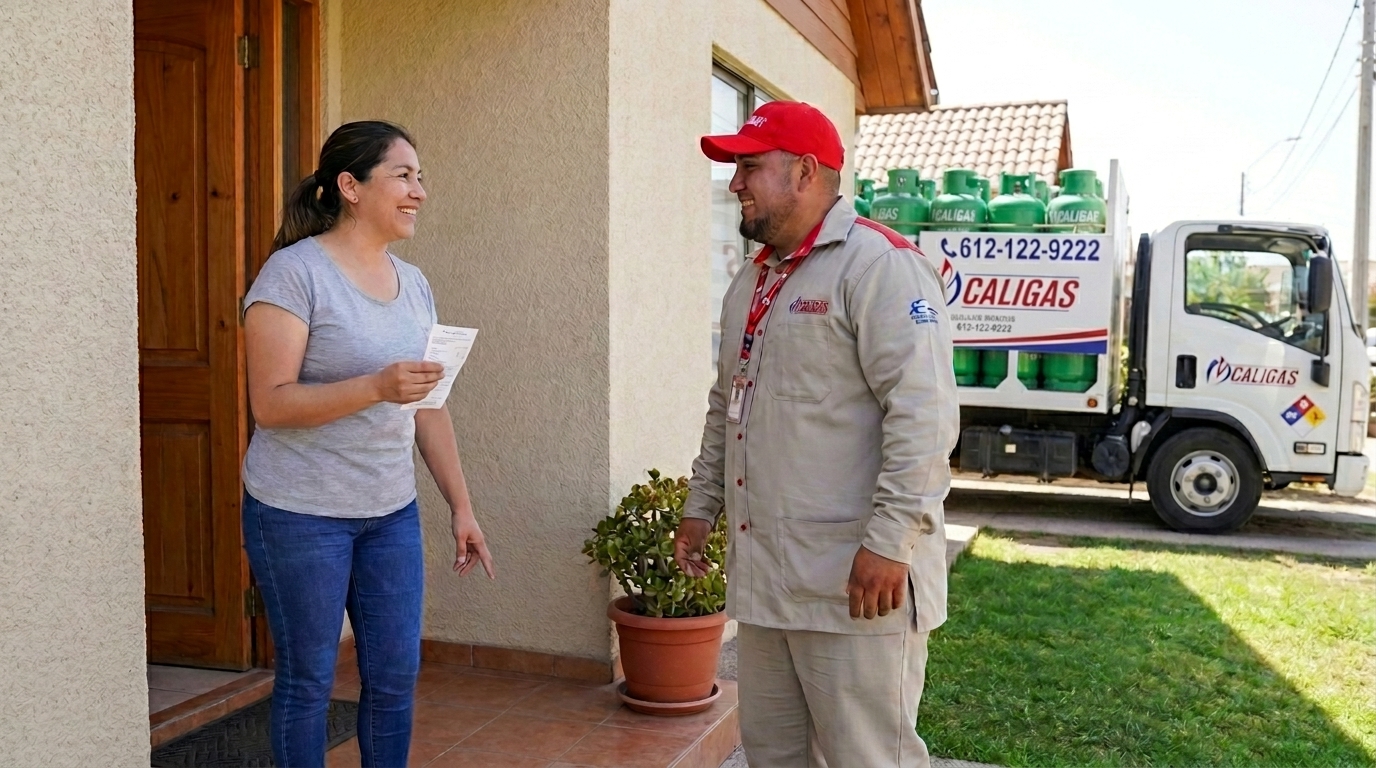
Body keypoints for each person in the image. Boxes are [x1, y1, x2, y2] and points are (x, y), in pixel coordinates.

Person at [673, 101, 958, 768]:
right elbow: (728, 405)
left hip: (856, 585)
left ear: (804, 172)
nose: (734, 183)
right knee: (774, 755)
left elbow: (925, 416)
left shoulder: (879, 266)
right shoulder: (755, 280)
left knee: (867, 758)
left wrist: (891, 544)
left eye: (749, 166)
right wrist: (700, 505)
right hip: (769, 583)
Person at [242, 120, 495, 768]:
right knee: (307, 682)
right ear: (350, 186)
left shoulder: (414, 285)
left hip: (389, 513)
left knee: (393, 678)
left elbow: (428, 407)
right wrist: (377, 386)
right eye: (403, 176)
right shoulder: (293, 274)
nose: (419, 192)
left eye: (420, 178)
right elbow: (270, 404)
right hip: (298, 513)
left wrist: (461, 507)